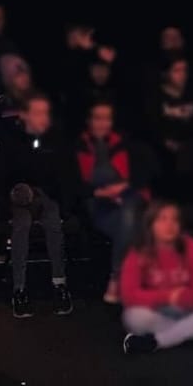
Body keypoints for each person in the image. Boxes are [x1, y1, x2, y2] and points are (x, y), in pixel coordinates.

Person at [0, 91, 76, 319]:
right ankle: (18, 289)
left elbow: (63, 175)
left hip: (45, 195)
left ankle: (60, 284)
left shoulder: (52, 139)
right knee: (22, 224)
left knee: (52, 219)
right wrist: (5, 206)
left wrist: (65, 206)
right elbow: (2, 175)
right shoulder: (12, 139)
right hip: (19, 196)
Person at [120, 201, 193, 354]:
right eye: (162, 219)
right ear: (150, 224)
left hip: (187, 308)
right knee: (133, 317)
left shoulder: (190, 246)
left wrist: (184, 297)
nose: (170, 225)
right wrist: (168, 297)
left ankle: (158, 341)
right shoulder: (138, 252)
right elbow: (129, 296)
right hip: (156, 310)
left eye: (174, 220)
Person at [76, 101, 146, 304]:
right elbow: (73, 184)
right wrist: (100, 192)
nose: (102, 123)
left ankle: (118, 279)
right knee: (131, 226)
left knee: (130, 212)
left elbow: (140, 175)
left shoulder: (123, 142)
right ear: (89, 121)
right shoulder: (78, 145)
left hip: (127, 196)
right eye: (98, 117)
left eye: (106, 118)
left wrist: (122, 187)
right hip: (98, 202)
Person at [148, 54, 193, 198]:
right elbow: (152, 126)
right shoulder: (156, 96)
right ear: (166, 73)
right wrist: (166, 142)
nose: (182, 75)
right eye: (177, 71)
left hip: (192, 152)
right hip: (164, 155)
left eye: (184, 70)